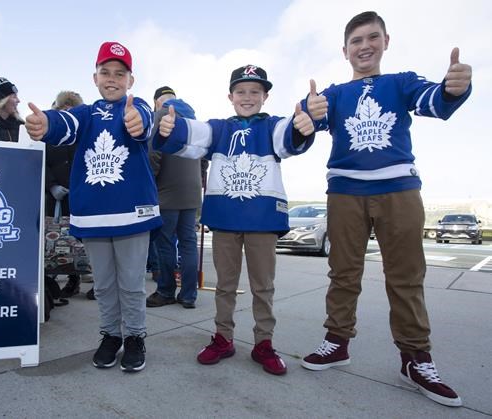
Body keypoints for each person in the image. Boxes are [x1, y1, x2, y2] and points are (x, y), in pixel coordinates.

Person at [300, 11, 472, 407]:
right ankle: (337, 341)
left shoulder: (401, 82)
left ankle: (415, 358)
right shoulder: (335, 94)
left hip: (398, 189)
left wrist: (454, 89)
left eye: (372, 37)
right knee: (343, 272)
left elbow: (436, 102)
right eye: (356, 40)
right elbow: (305, 124)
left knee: (406, 275)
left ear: (386, 42)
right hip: (345, 191)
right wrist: (308, 113)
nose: (365, 46)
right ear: (345, 50)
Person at [155, 65, 325, 375]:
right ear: (230, 96)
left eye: (255, 92)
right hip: (226, 218)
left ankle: (264, 343)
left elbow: (289, 136)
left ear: (265, 97)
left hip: (262, 220)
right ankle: (223, 338)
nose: (247, 97)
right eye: (241, 91)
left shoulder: (271, 126)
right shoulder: (219, 129)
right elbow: (192, 133)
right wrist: (171, 127)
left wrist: (303, 124)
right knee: (225, 286)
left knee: (263, 287)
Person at [25, 41, 161, 373]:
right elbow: (64, 124)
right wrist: (46, 124)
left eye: (120, 73)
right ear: (95, 77)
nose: (112, 79)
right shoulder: (85, 114)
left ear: (130, 80)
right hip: (94, 215)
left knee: (131, 283)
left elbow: (144, 121)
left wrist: (137, 121)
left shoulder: (137, 105)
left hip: (131, 213)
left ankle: (135, 336)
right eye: (105, 72)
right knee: (103, 283)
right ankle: (111, 334)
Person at [146, 86, 203, 309]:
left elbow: (153, 153)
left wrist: (149, 183)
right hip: (191, 193)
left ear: (157, 102)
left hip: (166, 193)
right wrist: (198, 180)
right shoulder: (194, 120)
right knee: (188, 243)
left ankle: (165, 291)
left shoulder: (161, 115)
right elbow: (204, 156)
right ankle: (189, 295)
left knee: (165, 243)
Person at [44, 91, 95, 301]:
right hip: (56, 196)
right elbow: (42, 161)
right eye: (64, 109)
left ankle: (86, 279)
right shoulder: (50, 133)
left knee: (83, 240)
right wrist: (51, 185)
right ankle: (62, 280)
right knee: (57, 239)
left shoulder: (84, 131)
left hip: (80, 194)